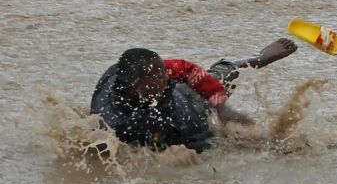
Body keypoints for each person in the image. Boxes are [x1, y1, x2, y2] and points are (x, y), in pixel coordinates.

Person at [91, 39, 297, 153]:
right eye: (158, 76)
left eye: (163, 71)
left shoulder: (159, 74)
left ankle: (260, 57)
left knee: (225, 73)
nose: (167, 76)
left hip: (191, 99)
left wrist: (221, 107)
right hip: (176, 117)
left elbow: (187, 71)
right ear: (135, 86)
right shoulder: (111, 115)